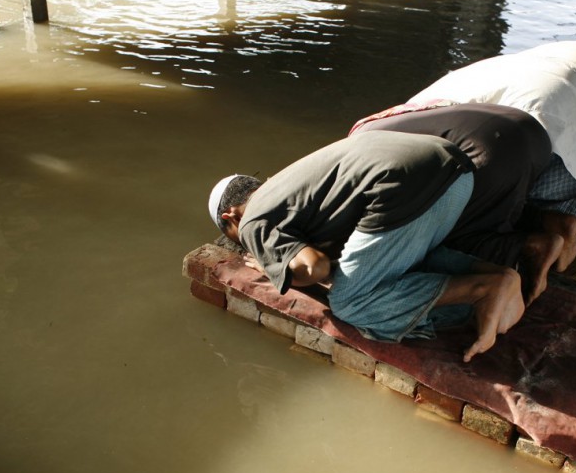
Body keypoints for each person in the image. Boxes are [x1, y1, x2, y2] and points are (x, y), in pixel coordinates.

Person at [209, 131, 525, 363]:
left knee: (350, 301)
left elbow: (314, 267)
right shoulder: (287, 186)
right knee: (407, 263)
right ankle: (499, 277)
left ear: (230, 217)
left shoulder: (251, 220)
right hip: (456, 171)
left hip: (401, 186)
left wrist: (270, 267)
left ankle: (484, 290)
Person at [407, 41, 576, 268]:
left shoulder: (401, 130)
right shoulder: (409, 112)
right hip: (565, 69)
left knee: (509, 191)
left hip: (540, 94)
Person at [348, 101, 564, 301]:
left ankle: (528, 247)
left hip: (485, 147)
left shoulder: (358, 148)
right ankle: (554, 224)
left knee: (449, 232)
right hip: (534, 135)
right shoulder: (397, 116)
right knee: (498, 205)